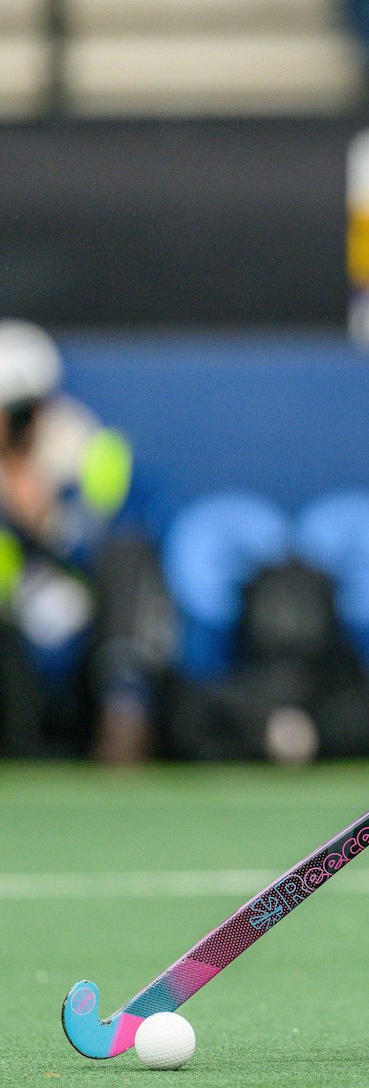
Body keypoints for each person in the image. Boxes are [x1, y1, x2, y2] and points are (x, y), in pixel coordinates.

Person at [0, 320, 170, 764]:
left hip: (85, 642)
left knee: (129, 555)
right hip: (14, 646)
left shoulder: (89, 452)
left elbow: (122, 549)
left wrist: (51, 523)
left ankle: (124, 721)